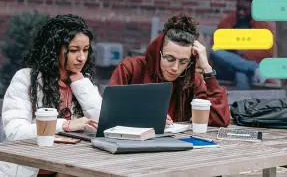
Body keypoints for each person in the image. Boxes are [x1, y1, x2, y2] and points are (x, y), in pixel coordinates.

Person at [0, 14, 102, 177]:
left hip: (71, 167)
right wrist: (66, 125)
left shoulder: (84, 82)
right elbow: (15, 132)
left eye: (86, 50)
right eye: (74, 50)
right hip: (31, 171)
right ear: (55, 51)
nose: (82, 58)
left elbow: (102, 123)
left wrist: (81, 84)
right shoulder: (26, 79)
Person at [108, 13, 230, 128]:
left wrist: (207, 69)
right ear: (158, 52)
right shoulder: (131, 68)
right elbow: (107, 109)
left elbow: (220, 119)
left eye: (183, 61)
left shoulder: (192, 78)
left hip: (178, 144)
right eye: (169, 58)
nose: (175, 68)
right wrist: (143, 116)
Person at [210, 0, 275, 90]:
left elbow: (268, 52)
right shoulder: (227, 21)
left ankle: (244, 104)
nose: (241, 12)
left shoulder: (261, 25)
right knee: (214, 52)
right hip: (227, 68)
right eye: (238, 8)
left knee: (241, 73)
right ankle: (254, 68)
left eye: (245, 9)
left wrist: (244, 52)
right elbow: (216, 45)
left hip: (246, 70)